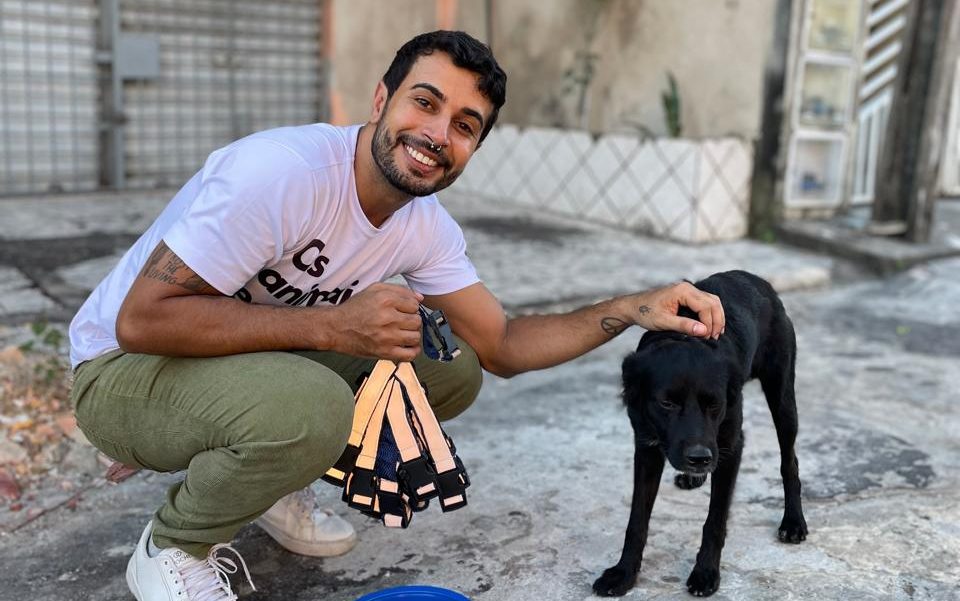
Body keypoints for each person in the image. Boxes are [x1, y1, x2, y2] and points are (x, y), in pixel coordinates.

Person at [68, 30, 724, 601]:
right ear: (382, 99)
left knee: (448, 366)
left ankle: (267, 477)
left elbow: (501, 345)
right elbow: (142, 321)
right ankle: (174, 547)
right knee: (312, 407)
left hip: (233, 363)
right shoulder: (280, 174)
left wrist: (630, 308)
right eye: (425, 102)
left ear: (473, 148)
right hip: (124, 368)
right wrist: (331, 327)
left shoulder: (423, 225)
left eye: (465, 126)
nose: (437, 135)